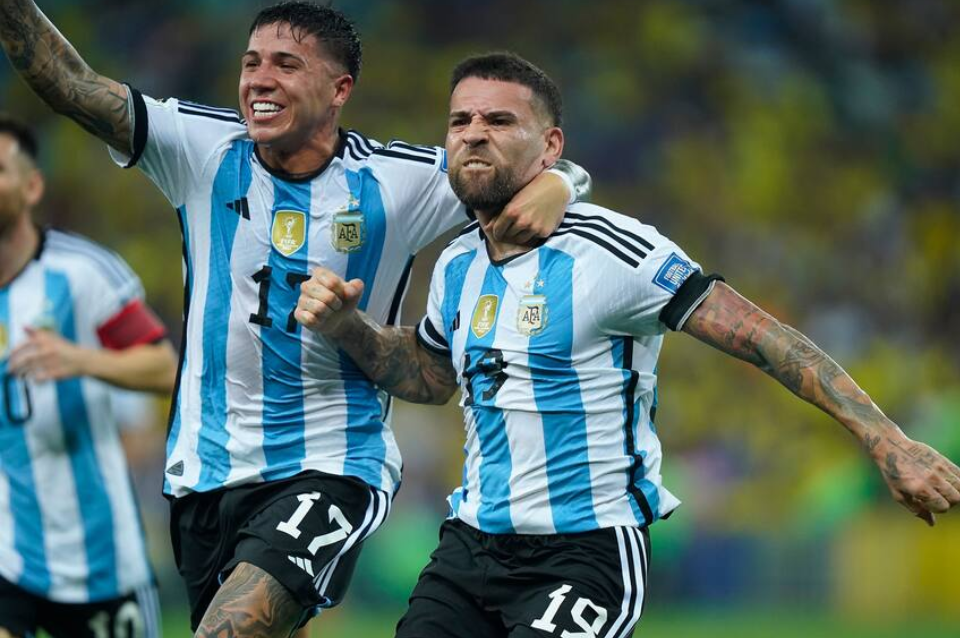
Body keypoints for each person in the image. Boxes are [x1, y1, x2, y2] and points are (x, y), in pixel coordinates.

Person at [294, 52, 960, 638]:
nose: (473, 133)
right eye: (460, 120)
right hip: (469, 548)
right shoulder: (456, 263)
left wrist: (888, 442)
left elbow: (766, 339)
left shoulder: (615, 251)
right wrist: (350, 327)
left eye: (499, 120)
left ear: (550, 146)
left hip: (584, 556)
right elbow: (432, 377)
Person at [0, 2, 592, 636]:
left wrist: (562, 182)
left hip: (332, 464)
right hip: (206, 474)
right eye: (251, 63)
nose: (260, 79)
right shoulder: (200, 147)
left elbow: (519, 168)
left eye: (286, 65)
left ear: (339, 89)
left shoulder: (396, 179)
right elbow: (71, 85)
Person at [0, 114, 176, 638]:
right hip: (9, 552)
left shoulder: (82, 271)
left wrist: (81, 360)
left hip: (101, 559)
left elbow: (166, 368)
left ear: (32, 187)